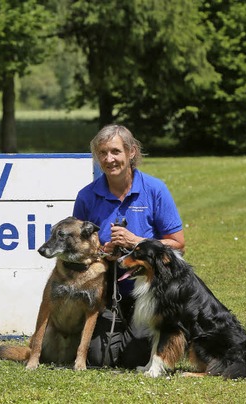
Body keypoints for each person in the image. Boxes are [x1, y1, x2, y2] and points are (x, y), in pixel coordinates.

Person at [72, 124, 185, 368]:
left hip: (148, 292)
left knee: (134, 356)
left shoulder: (155, 190)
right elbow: (79, 253)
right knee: (99, 358)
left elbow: (178, 244)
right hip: (108, 292)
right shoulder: (86, 196)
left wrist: (136, 242)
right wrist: (104, 251)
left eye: (115, 152)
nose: (109, 159)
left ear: (131, 152)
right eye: (102, 153)